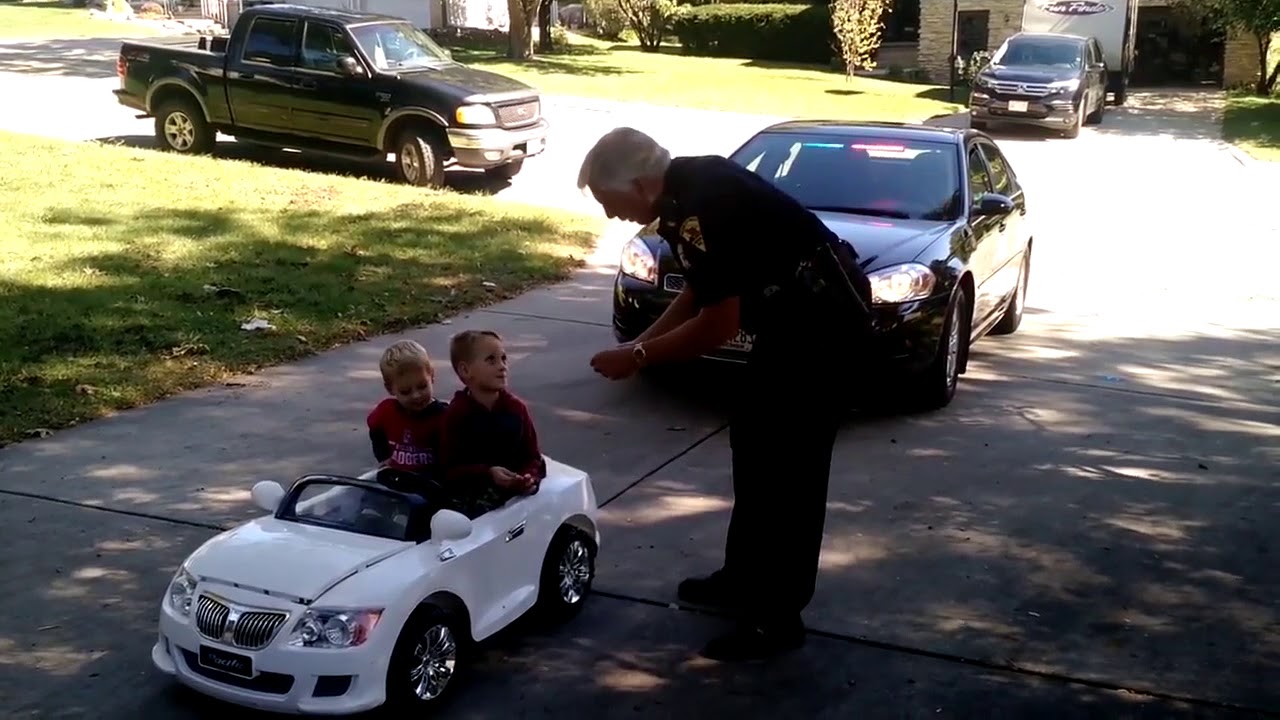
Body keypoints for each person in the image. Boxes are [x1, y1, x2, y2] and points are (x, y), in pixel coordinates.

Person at [579, 127, 873, 662]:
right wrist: (639, 344)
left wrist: (640, 358)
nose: (607, 213)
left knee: (791, 469)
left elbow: (718, 323)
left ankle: (777, 617)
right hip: (789, 324)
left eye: (607, 199)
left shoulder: (701, 202)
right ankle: (743, 578)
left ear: (640, 184)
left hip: (823, 326)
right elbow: (701, 288)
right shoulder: (686, 189)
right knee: (755, 442)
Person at [439, 330, 546, 519]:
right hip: (473, 503)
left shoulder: (516, 409)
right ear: (465, 370)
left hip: (516, 502)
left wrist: (528, 478)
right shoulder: (457, 414)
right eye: (491, 360)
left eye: (504, 359)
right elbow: (448, 469)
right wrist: (488, 473)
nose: (502, 366)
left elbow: (533, 457)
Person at [367, 339, 449, 478]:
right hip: (398, 479)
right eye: (405, 391)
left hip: (433, 483)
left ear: (432, 376)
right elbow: (375, 430)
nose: (416, 395)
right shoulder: (386, 411)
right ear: (390, 389)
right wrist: (384, 456)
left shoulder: (444, 416)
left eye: (422, 386)